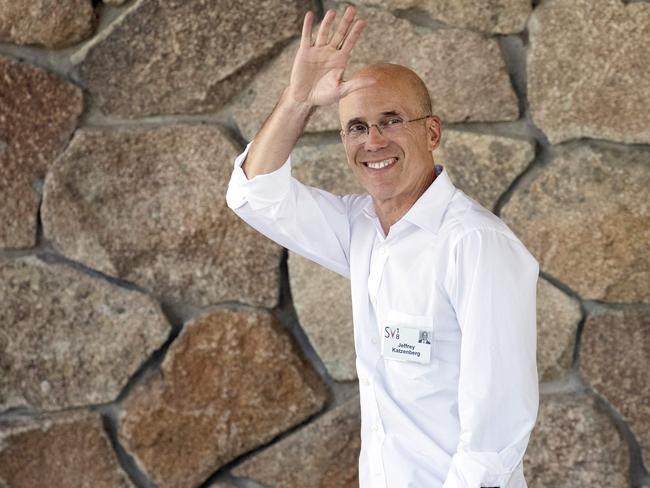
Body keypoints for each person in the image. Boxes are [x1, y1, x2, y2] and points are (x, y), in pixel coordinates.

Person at [226, 7, 539, 488]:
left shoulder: (475, 245)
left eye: (391, 121)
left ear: (431, 132)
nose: (373, 141)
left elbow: (494, 437)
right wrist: (298, 100)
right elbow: (254, 195)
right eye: (356, 127)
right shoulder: (362, 230)